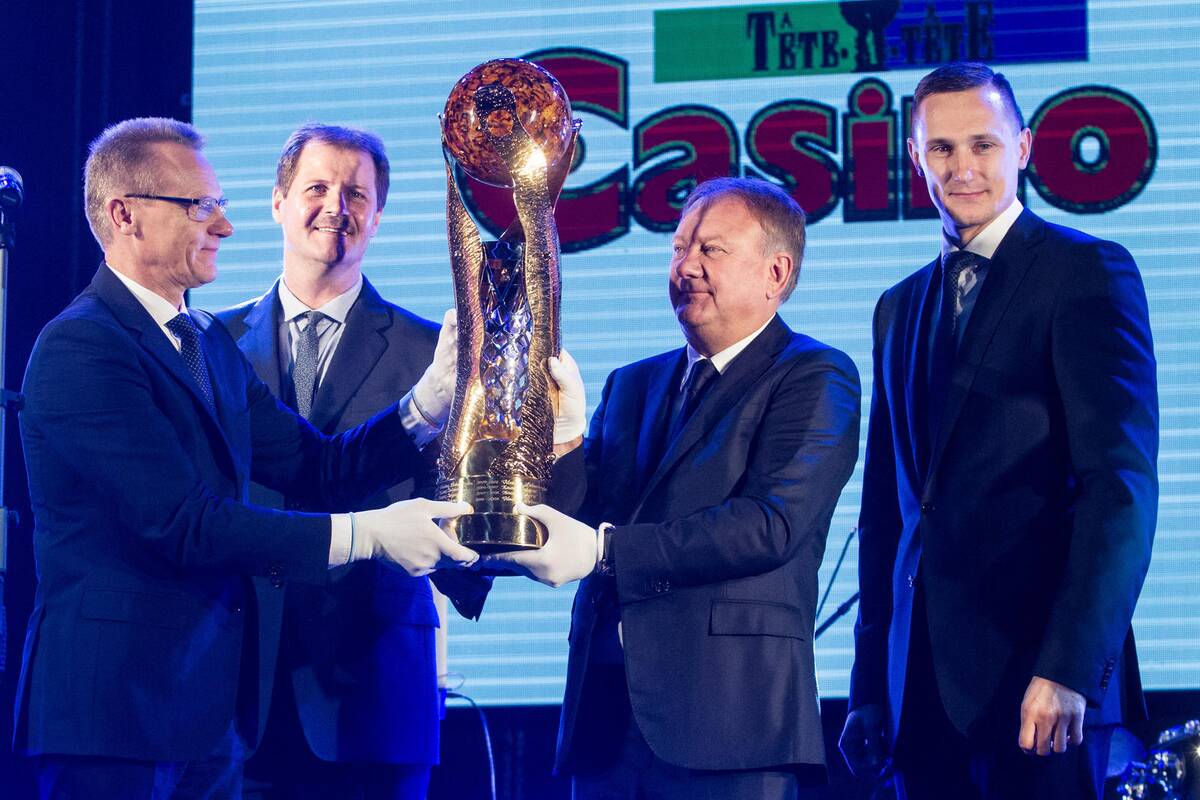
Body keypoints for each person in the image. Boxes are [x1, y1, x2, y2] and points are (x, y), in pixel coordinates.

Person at [13, 117, 478, 800]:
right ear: (124, 215)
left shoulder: (203, 342)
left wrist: (427, 401)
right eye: (198, 206)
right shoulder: (83, 346)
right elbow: (187, 523)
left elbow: (317, 467)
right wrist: (368, 534)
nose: (224, 226)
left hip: (209, 720)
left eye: (220, 204)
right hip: (114, 716)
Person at [839, 63, 1158, 800]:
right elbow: (887, 513)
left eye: (982, 144)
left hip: (1041, 682)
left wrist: (1070, 668)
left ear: (1024, 147)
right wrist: (869, 686)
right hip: (918, 694)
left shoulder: (1086, 272)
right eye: (942, 149)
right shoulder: (898, 307)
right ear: (915, 158)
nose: (963, 168)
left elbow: (1119, 489)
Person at [488, 177, 861, 799]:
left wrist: (608, 551)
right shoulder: (633, 383)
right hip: (607, 721)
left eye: (711, 250)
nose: (685, 267)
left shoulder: (815, 375)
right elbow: (580, 517)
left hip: (730, 725)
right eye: (679, 247)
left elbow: (769, 526)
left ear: (776, 273)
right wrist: (564, 444)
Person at [216, 123, 490, 800]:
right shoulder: (210, 343)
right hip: (232, 689)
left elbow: (463, 518)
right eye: (317, 187)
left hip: (374, 692)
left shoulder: (435, 352)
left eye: (356, 193)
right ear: (277, 201)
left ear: (379, 214)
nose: (336, 206)